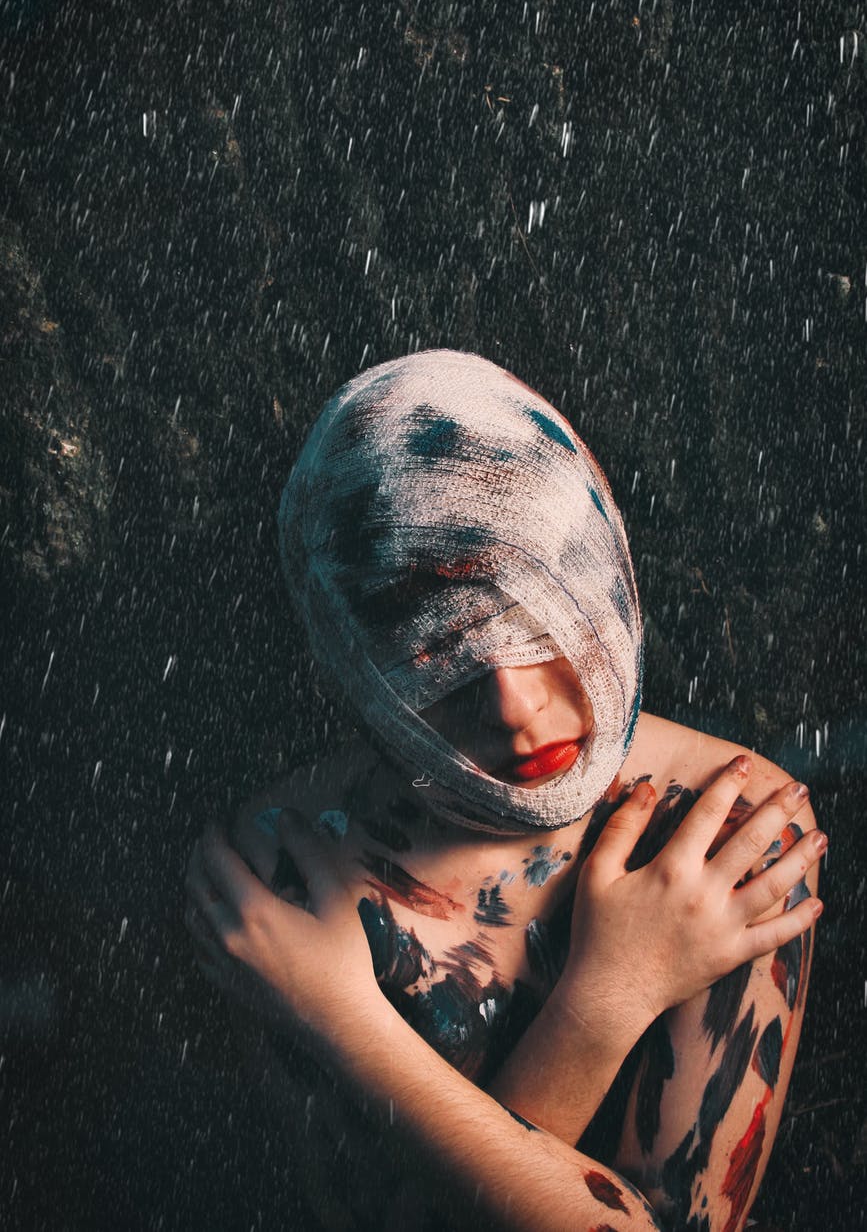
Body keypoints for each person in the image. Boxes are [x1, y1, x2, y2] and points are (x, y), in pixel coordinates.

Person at [184, 349, 824, 1231]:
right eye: (436, 663)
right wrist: (608, 1001)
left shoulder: (729, 827)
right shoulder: (280, 865)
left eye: (546, 627)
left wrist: (338, 1016)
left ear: (606, 576)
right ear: (350, 660)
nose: (519, 716)